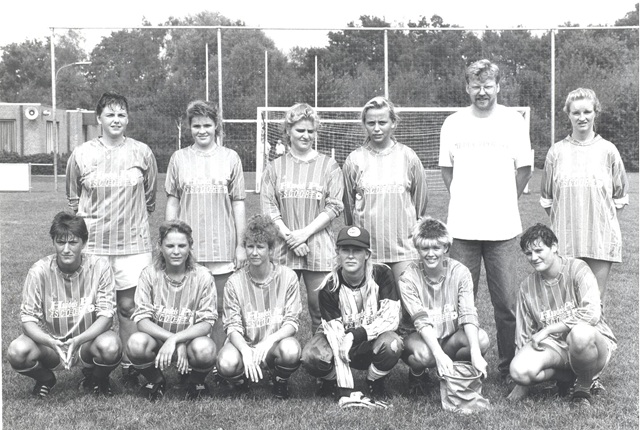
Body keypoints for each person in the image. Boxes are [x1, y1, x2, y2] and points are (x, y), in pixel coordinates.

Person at [438, 59, 532, 382]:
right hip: (462, 229)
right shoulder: (453, 123)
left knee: (506, 304)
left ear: (498, 87)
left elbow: (524, 170)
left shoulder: (513, 121)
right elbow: (447, 171)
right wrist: (466, 201)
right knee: (458, 304)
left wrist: (503, 201)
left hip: (502, 229)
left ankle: (510, 368)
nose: (482, 92)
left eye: (488, 86)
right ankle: (458, 368)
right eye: (476, 86)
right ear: (467, 87)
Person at [66, 91, 157, 387]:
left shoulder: (142, 152)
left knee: (129, 306)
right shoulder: (81, 154)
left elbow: (150, 197)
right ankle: (93, 365)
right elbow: (73, 199)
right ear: (99, 119)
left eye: (121, 114)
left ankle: (131, 363)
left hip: (133, 245)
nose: (116, 120)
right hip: (95, 246)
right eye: (110, 114)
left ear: (127, 119)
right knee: (94, 309)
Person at [7, 212, 121, 398]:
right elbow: (27, 320)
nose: (66, 249)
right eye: (60, 242)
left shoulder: (100, 267)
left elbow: (106, 317)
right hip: (52, 345)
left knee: (111, 346)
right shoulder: (39, 271)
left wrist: (79, 340)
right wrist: (50, 341)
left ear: (84, 242)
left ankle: (96, 378)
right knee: (17, 351)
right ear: (53, 242)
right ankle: (46, 379)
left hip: (88, 342)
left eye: (73, 242)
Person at [165, 100, 246, 354]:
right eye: (197, 126)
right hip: (187, 248)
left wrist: (240, 245)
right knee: (188, 307)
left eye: (207, 125)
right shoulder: (179, 158)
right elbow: (173, 201)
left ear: (216, 126)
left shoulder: (230, 158)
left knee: (221, 307)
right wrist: (168, 239)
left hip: (221, 244)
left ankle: (220, 359)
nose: (202, 131)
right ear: (189, 127)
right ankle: (191, 358)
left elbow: (238, 203)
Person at [507, 224, 617, 409]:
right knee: (519, 371)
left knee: (580, 334)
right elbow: (523, 334)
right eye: (528, 253)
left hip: (591, 344)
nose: (534, 258)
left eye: (539, 250)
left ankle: (582, 389)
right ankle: (567, 378)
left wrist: (548, 329)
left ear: (554, 247)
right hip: (556, 347)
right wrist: (521, 383)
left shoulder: (577, 268)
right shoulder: (527, 286)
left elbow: (592, 313)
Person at [261, 103, 344, 334]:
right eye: (300, 130)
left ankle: (323, 354)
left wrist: (304, 234)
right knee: (278, 310)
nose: (306, 135)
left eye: (310, 131)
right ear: (288, 131)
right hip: (283, 246)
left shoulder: (329, 166)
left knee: (320, 309)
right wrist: (291, 237)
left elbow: (334, 206)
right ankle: (279, 354)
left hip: (318, 246)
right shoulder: (275, 167)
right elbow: (269, 207)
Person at [540, 88, 629, 301]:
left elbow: (620, 198)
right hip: (565, 241)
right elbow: (547, 199)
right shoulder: (556, 152)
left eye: (587, 112)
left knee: (594, 303)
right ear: (568, 115)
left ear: (596, 112)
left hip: (600, 242)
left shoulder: (609, 151)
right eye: (576, 112)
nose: (582, 117)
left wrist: (601, 224)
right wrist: (567, 222)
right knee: (565, 304)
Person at [301, 225, 403, 407]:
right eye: (345, 250)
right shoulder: (329, 287)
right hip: (339, 341)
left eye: (357, 250)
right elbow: (335, 338)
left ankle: (374, 381)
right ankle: (332, 381)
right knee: (311, 355)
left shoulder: (382, 274)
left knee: (392, 343)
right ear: (337, 253)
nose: (350, 255)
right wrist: (346, 390)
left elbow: (391, 318)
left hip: (370, 341)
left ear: (367, 254)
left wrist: (355, 335)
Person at [398, 217, 489, 396]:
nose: (430, 254)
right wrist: (438, 355)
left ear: (446, 248)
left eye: (436, 248)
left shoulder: (460, 272)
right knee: (426, 355)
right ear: (417, 248)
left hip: (449, 335)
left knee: (481, 339)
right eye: (425, 248)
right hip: (419, 338)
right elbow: (421, 321)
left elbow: (468, 313)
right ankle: (417, 374)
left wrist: (475, 352)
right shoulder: (408, 278)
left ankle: (460, 373)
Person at [127, 220, 217, 401]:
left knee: (206, 349)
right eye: (170, 246)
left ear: (190, 246)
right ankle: (156, 380)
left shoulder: (203, 276)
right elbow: (142, 320)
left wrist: (178, 340)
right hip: (158, 341)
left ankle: (195, 382)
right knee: (136, 343)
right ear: (160, 246)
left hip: (191, 342)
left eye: (182, 246)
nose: (176, 251)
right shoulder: (149, 274)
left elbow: (206, 323)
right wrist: (171, 339)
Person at [343, 96, 428, 282]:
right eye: (371, 123)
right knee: (368, 300)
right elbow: (348, 207)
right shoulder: (354, 160)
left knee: (407, 298)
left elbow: (420, 202)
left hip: (403, 249)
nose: (376, 128)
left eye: (382, 122)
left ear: (393, 123)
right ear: (364, 124)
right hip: (367, 250)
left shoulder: (409, 157)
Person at [217, 215, 302, 400]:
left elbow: (292, 322)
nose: (254, 253)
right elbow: (232, 326)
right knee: (226, 362)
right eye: (250, 246)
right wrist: (245, 350)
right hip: (245, 344)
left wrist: (269, 341)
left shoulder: (288, 277)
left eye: (260, 247)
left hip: (272, 344)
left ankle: (279, 380)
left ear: (270, 249)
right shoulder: (234, 282)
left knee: (291, 350)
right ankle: (242, 382)